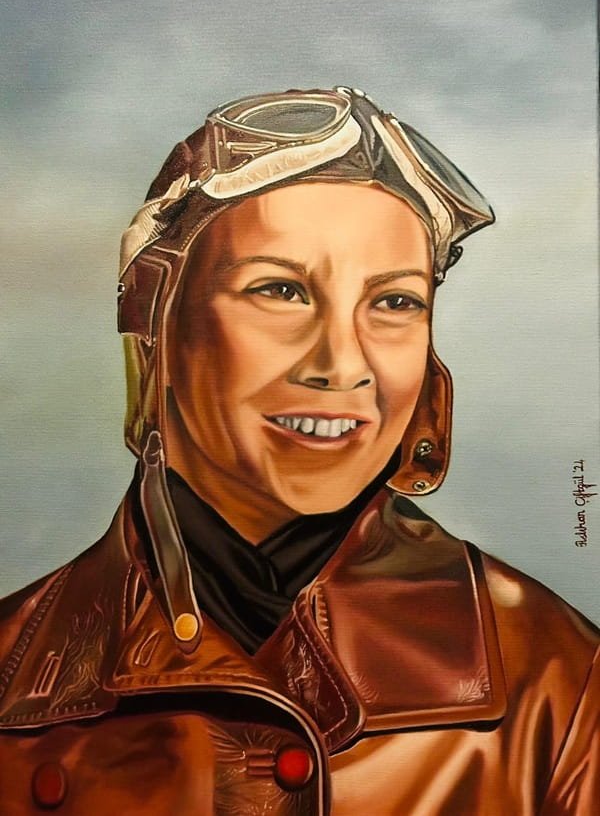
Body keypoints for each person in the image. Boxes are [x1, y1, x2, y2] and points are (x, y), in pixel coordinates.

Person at [0, 87, 597, 815]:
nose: (343, 364)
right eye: (280, 291)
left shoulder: (557, 679)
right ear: (156, 335)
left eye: (395, 302)